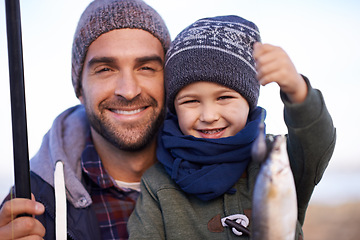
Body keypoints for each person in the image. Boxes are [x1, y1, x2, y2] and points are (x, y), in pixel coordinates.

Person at [127, 15, 336, 239]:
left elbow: (317, 143)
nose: (209, 116)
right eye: (191, 101)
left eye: (224, 97)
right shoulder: (157, 184)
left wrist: (297, 90)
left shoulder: (278, 161)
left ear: (249, 101)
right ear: (174, 108)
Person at [0, 0, 171, 239]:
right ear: (79, 87)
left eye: (146, 67)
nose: (129, 90)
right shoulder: (28, 205)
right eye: (105, 69)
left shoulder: (227, 172)